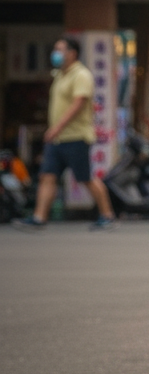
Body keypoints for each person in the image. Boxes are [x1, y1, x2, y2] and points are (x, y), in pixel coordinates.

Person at [14, 36, 117, 231]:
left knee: (85, 177)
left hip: (76, 136)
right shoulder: (60, 75)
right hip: (57, 139)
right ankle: (39, 217)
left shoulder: (81, 75)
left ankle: (107, 214)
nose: (56, 54)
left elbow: (78, 103)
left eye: (60, 50)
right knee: (47, 176)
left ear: (72, 53)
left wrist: (57, 127)